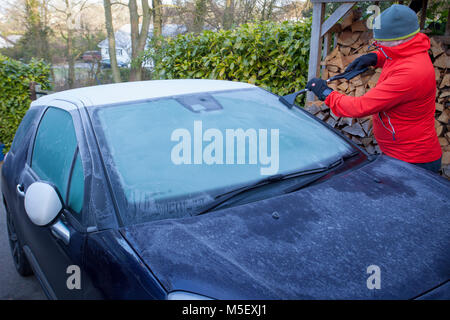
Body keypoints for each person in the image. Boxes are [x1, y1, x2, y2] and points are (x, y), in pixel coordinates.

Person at [306, 4, 442, 173]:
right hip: (399, 153)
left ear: (398, 40)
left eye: (381, 42)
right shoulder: (411, 49)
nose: (377, 44)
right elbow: (398, 57)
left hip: (412, 160)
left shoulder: (411, 73)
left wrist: (325, 92)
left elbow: (359, 107)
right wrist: (375, 58)